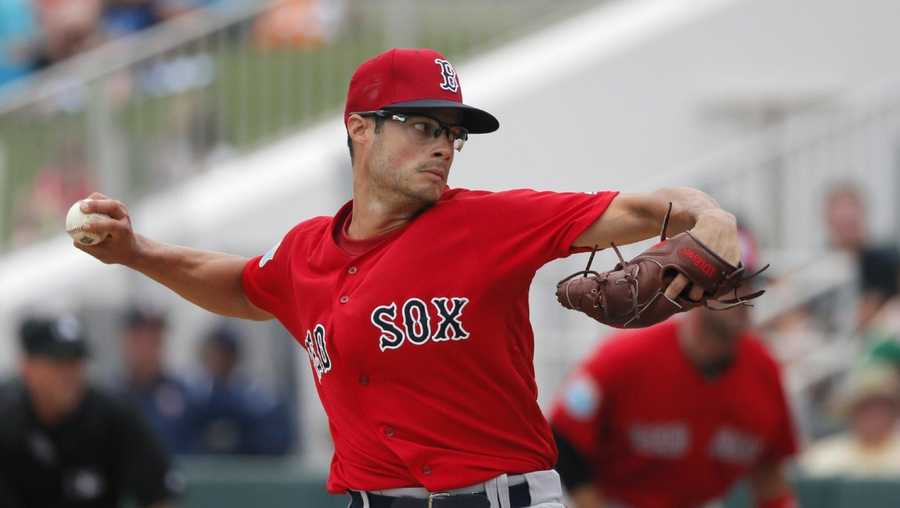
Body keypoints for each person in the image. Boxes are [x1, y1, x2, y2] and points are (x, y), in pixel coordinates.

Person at [73, 47, 745, 508]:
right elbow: (240, 285)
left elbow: (636, 209)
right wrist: (137, 253)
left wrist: (710, 217)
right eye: (424, 125)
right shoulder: (305, 253)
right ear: (360, 127)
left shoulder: (489, 222)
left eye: (454, 133)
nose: (445, 146)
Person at [550, 228, 798, 508]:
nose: (743, 296)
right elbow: (563, 439)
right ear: (693, 285)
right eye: (729, 283)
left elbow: (770, 476)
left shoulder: (764, 370)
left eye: (749, 282)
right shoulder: (629, 355)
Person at [0, 315, 180, 508]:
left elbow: (159, 493)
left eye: (76, 362)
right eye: (58, 362)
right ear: (27, 367)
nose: (69, 374)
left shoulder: (112, 414)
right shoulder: (6, 417)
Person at [190, 322, 293, 455]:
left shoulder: (255, 400)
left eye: (225, 353)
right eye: (214, 352)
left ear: (235, 356)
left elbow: (276, 444)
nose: (219, 359)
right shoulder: (196, 398)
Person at [113, 305, 194, 455]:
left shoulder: (186, 395)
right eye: (139, 337)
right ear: (125, 340)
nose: (147, 345)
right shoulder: (110, 397)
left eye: (154, 337)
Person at [801, 363, 900, 477]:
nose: (874, 417)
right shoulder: (822, 456)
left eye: (881, 409)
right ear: (852, 413)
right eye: (866, 409)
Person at [824, 183, 900, 330]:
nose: (846, 222)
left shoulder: (887, 258)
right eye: (841, 218)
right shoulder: (821, 264)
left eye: (850, 218)